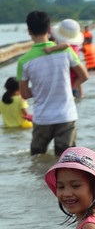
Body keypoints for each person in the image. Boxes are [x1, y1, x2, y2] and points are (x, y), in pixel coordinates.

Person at [17, 10, 88, 156]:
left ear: (29, 31)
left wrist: (40, 90)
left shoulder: (24, 61)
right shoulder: (66, 51)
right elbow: (84, 76)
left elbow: (24, 94)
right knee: (65, 160)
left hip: (42, 118)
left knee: (37, 157)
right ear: (49, 30)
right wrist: (67, 87)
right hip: (66, 116)